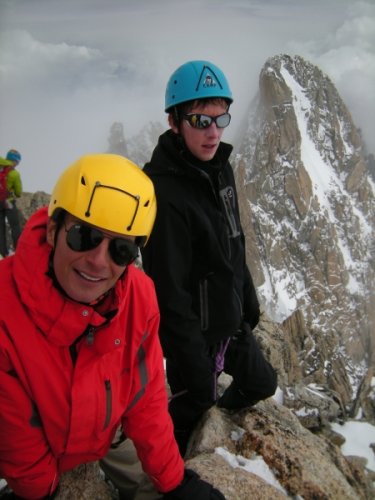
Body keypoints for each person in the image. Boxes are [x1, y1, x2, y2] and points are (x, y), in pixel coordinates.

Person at [0, 153, 225, 500]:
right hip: (35, 463)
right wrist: (43, 492)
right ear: (52, 228)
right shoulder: (5, 306)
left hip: (103, 437)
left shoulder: (139, 298)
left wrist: (175, 482)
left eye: (120, 249)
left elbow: (146, 399)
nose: (97, 261)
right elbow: (17, 437)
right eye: (83, 236)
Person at [141, 60, 278, 456]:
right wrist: (194, 366)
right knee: (190, 411)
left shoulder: (221, 170)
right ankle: (171, 467)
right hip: (194, 339)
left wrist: (247, 308)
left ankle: (211, 419)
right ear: (174, 121)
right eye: (201, 120)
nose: (213, 132)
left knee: (261, 383)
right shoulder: (163, 193)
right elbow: (168, 290)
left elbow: (235, 243)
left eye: (221, 119)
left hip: (228, 321)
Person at [0, 149, 23, 257]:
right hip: (8, 203)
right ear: (15, 161)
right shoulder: (14, 173)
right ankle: (19, 251)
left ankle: (2, 253)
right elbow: (18, 192)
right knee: (15, 226)